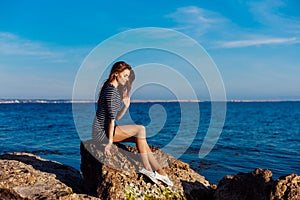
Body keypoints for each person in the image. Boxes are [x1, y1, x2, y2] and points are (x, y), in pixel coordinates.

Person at [92, 61, 173, 186]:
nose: (127, 79)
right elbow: (111, 120)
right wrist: (109, 143)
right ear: (115, 74)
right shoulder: (110, 91)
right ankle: (147, 168)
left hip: (106, 130)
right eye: (124, 75)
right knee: (140, 129)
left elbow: (117, 116)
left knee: (140, 139)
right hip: (102, 132)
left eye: (128, 76)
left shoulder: (111, 89)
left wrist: (126, 106)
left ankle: (161, 172)